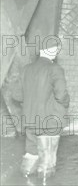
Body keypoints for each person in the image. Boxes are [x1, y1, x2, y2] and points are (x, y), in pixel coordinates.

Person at [12, 37, 70, 179]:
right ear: (54, 51)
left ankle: (25, 177)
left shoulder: (27, 69)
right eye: (55, 49)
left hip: (30, 120)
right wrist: (65, 104)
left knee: (31, 152)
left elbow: (17, 95)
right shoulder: (55, 69)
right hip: (50, 121)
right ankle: (45, 181)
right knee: (47, 159)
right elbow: (61, 94)